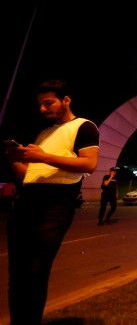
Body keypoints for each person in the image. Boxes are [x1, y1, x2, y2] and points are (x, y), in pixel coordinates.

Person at [4, 79, 100, 324]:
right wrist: (14, 159)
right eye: (40, 104)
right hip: (26, 203)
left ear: (66, 100)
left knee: (35, 271)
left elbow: (89, 164)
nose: (42, 109)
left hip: (55, 205)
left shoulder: (84, 126)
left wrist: (43, 156)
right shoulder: (44, 133)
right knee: (17, 273)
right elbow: (28, 177)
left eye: (48, 103)